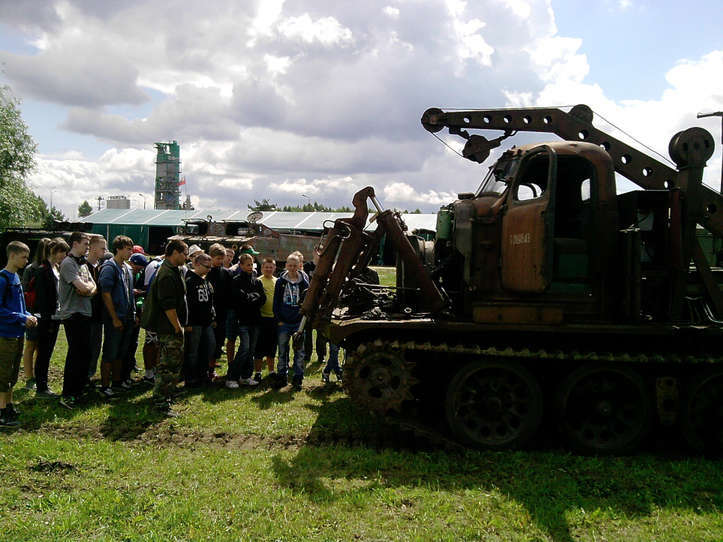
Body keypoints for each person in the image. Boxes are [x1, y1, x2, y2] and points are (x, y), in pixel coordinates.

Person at [141, 239, 188, 414]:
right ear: (175, 253)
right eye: (184, 253)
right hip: (168, 327)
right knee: (167, 365)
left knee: (173, 364)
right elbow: (168, 305)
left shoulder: (174, 270)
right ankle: (161, 401)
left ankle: (168, 394)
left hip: (172, 325)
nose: (186, 257)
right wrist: (177, 326)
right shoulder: (166, 274)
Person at [57, 232, 97, 409]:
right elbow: (82, 287)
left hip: (85, 313)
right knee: (75, 355)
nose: (88, 247)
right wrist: (87, 289)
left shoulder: (82, 264)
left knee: (85, 354)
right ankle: (68, 394)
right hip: (73, 315)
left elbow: (93, 287)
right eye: (85, 244)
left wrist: (87, 289)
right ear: (75, 244)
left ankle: (79, 390)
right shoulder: (68, 263)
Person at [0, 241, 38, 426]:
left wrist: (28, 315)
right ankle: (1, 412)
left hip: (17, 333)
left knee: (13, 372)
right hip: (5, 334)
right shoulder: (3, 279)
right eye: (23, 257)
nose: (26, 260)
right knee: (3, 373)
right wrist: (21, 317)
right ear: (12, 256)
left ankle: (8, 404)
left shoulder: (16, 277)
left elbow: (19, 305)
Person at [98, 235, 136, 397]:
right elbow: (105, 293)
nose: (130, 252)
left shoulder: (127, 268)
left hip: (127, 317)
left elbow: (129, 293)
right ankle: (104, 386)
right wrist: (114, 318)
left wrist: (133, 313)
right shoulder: (109, 267)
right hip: (115, 317)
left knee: (122, 351)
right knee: (110, 351)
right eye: (128, 249)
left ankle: (117, 381)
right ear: (118, 249)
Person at [31, 238, 69, 398]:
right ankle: (41, 387)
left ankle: (44, 383)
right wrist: (48, 317)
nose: (64, 256)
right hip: (46, 318)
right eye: (62, 252)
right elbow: (42, 297)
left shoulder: (56, 268)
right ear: (54, 251)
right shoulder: (43, 270)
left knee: (48, 352)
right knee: (43, 353)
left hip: (55, 316)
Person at [226, 253, 265, 388]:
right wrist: (253, 297)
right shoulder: (236, 281)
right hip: (242, 320)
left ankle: (246, 376)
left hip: (255, 320)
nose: (250, 267)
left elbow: (262, 298)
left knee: (251, 350)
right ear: (241, 265)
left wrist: (250, 297)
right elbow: (239, 298)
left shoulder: (257, 281)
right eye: (247, 264)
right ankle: (231, 377)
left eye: (251, 264)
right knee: (244, 348)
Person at [273, 254, 309, 390]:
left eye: (295, 265)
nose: (292, 268)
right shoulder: (280, 282)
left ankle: (298, 377)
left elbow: (307, 300)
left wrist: (303, 319)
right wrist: (279, 319)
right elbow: (276, 302)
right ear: (286, 265)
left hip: (298, 322)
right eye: (290, 265)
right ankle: (282, 376)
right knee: (282, 350)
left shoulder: (304, 282)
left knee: (299, 351)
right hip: (284, 321)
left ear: (299, 265)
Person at [21, 237, 51, 390]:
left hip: (46, 313)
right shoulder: (31, 269)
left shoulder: (53, 268)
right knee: (30, 345)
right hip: (33, 312)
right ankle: (29, 377)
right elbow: (24, 292)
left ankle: (40, 376)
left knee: (42, 346)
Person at [184, 252, 216, 387]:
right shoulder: (189, 281)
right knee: (193, 352)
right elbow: (186, 304)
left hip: (206, 322)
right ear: (196, 264)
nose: (209, 270)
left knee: (208, 348)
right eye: (206, 267)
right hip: (194, 323)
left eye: (210, 267)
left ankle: (203, 374)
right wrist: (187, 323)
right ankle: (191, 378)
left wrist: (212, 317)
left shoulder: (206, 280)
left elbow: (210, 301)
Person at [207, 243, 232, 374]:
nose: (220, 261)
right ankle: (204, 368)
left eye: (222, 258)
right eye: (218, 258)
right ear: (211, 257)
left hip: (222, 313)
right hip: (208, 313)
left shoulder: (226, 273)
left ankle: (211, 369)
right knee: (208, 343)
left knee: (218, 342)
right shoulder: (206, 272)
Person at [86, 234, 108, 381]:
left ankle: (90, 374)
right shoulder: (83, 267)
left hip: (98, 314)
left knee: (96, 346)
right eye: (102, 248)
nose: (105, 251)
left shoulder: (100, 267)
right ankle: (84, 376)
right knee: (86, 347)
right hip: (86, 314)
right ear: (93, 248)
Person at [254, 257, 277, 383]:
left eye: (270, 267)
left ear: (274, 268)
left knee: (272, 347)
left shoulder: (277, 281)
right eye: (266, 267)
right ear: (262, 268)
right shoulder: (257, 281)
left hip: (273, 319)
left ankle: (271, 371)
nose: (268, 269)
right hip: (261, 319)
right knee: (259, 347)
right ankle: (257, 372)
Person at [141, 254, 163, 384]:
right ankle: (149, 372)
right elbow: (147, 289)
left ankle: (154, 369)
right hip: (153, 311)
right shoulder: (154, 265)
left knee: (159, 343)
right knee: (151, 342)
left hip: (162, 313)